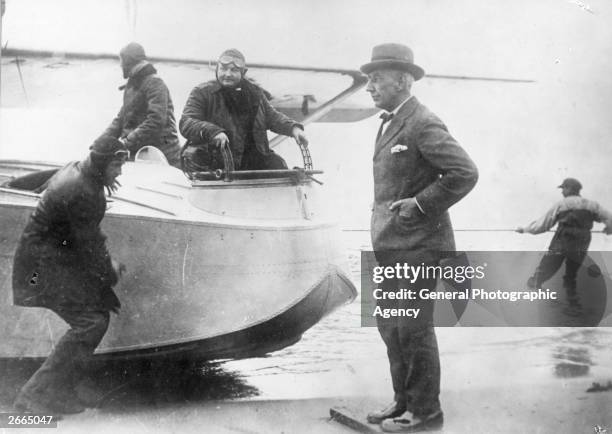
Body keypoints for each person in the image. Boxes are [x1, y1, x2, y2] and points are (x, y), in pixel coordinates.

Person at [362, 43, 478, 433]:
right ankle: (403, 402)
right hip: (393, 246)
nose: (369, 87)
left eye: (376, 79)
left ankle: (426, 414)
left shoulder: (422, 121)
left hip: (419, 247)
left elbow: (464, 172)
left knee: (413, 328)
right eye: (369, 79)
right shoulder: (390, 120)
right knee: (390, 324)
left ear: (403, 79)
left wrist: (421, 204)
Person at [12, 136, 128, 415]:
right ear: (101, 162)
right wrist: (108, 272)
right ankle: (32, 398)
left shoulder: (84, 173)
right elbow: (88, 246)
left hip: (53, 261)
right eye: (116, 165)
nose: (120, 172)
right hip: (40, 268)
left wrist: (103, 273)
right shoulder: (81, 189)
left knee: (94, 318)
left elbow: (85, 235)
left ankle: (56, 392)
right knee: (91, 322)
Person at [179, 48, 308, 172]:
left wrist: (294, 129)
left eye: (234, 70)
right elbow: (187, 122)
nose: (227, 74)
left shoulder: (255, 93)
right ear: (217, 68)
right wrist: (212, 132)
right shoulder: (202, 93)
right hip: (216, 165)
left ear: (243, 72)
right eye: (223, 69)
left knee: (280, 168)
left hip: (253, 164)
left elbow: (272, 117)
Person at [516, 177, 612, 305]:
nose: (562, 192)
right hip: (582, 241)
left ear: (570, 189)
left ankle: (533, 287)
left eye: (563, 188)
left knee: (548, 264)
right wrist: (609, 228)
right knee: (572, 271)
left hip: (563, 239)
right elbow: (609, 218)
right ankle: (571, 300)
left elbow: (543, 225)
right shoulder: (591, 205)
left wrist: (524, 229)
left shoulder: (562, 204)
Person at [101, 42, 181, 167]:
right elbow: (121, 119)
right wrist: (102, 141)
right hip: (139, 152)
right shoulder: (133, 85)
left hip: (162, 155)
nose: (120, 65)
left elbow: (155, 121)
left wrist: (127, 142)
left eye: (121, 60)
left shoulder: (155, 83)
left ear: (129, 61)